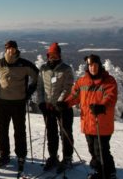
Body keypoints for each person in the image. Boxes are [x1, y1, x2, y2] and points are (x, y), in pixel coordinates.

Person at [61, 54, 117, 179]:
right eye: (90, 65)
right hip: (87, 123)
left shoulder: (109, 80)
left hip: (101, 123)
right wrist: (65, 104)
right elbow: (74, 96)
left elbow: (110, 96)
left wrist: (102, 106)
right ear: (88, 66)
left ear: (99, 65)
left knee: (101, 150)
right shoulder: (82, 81)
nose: (93, 68)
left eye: (95, 65)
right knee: (92, 150)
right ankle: (99, 171)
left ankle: (110, 173)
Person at [0, 40, 39, 170]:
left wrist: (29, 92)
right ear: (6, 50)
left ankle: (21, 156)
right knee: (2, 130)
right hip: (2, 103)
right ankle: (4, 155)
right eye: (8, 48)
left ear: (16, 49)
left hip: (19, 103)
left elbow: (37, 76)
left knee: (19, 131)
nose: (10, 51)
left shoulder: (25, 64)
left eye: (13, 48)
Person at [37, 42, 74, 173]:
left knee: (65, 133)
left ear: (59, 55)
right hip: (48, 107)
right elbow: (40, 87)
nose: (52, 57)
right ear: (48, 55)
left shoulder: (66, 69)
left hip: (63, 107)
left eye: (55, 55)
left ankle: (67, 157)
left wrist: (59, 102)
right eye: (50, 55)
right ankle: (53, 156)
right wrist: (41, 103)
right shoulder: (43, 69)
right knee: (51, 133)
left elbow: (68, 88)